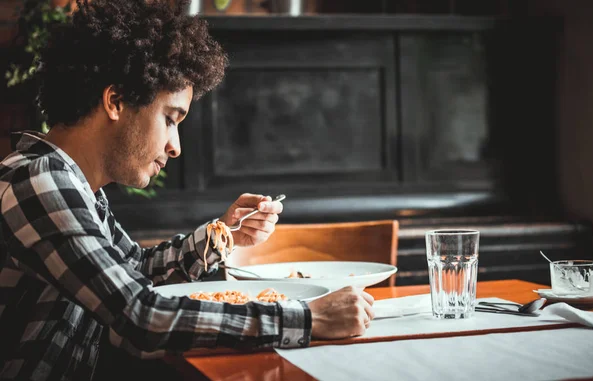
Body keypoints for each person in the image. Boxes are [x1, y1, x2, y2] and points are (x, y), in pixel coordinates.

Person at [0, 0, 375, 380]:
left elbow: (133, 271)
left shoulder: (77, 186)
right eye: (170, 119)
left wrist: (223, 236)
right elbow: (140, 313)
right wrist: (307, 318)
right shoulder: (37, 182)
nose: (175, 146)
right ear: (115, 101)